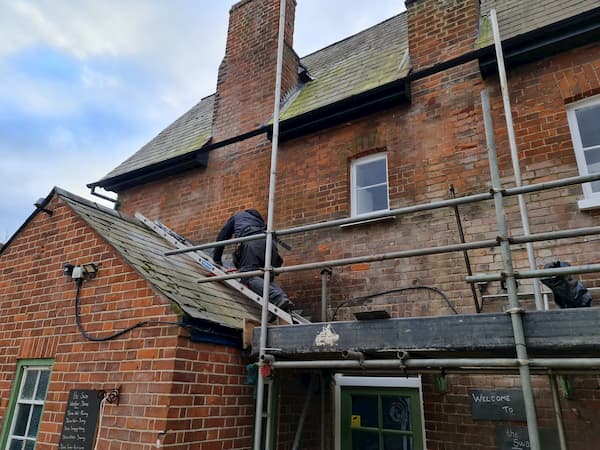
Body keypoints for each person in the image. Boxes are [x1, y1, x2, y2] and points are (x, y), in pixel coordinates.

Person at [213, 209, 293, 319]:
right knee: (266, 278)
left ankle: (277, 297)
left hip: (253, 242)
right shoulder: (260, 223)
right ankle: (282, 301)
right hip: (270, 246)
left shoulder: (237, 216)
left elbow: (222, 237)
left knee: (247, 276)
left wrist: (216, 259)